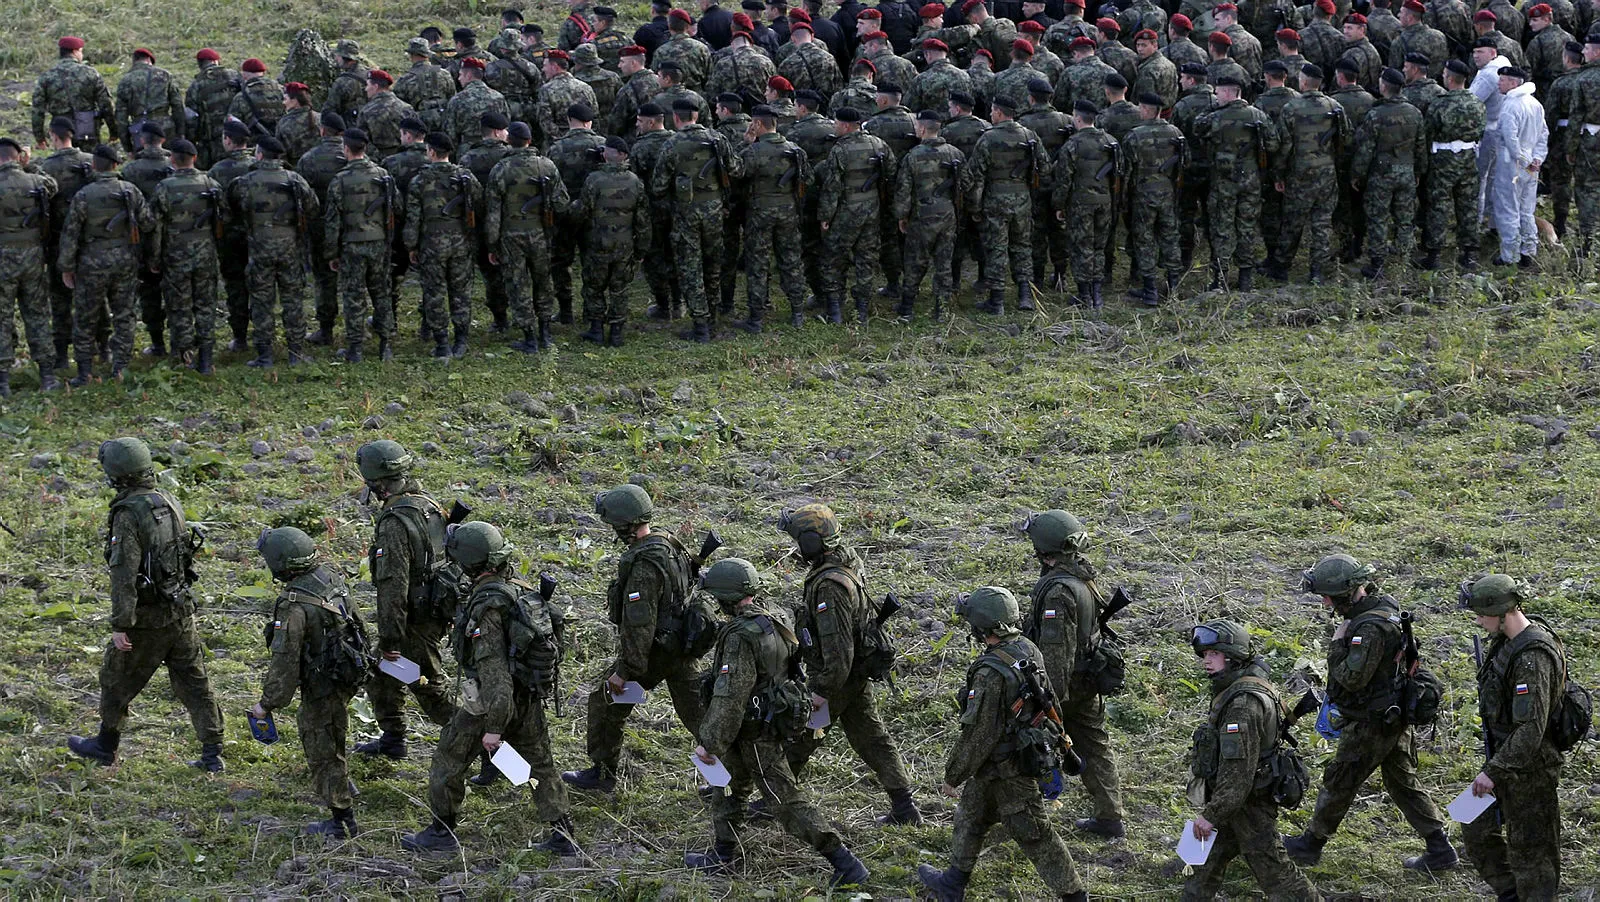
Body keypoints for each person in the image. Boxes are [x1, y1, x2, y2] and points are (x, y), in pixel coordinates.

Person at [684, 558, 870, 888]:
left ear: (725, 597)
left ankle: (843, 860)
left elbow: (731, 695)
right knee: (728, 784)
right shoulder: (775, 615)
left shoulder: (741, 636)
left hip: (756, 731)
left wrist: (710, 742)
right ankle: (725, 852)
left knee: (786, 802)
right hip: (762, 721)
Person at [402, 522, 577, 856]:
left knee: (448, 760)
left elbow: (494, 673)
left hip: (489, 704)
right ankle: (562, 833)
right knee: (540, 765)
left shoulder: (489, 607)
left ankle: (441, 833)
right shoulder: (518, 588)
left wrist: (494, 729)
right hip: (526, 698)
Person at [1283, 554, 1458, 871]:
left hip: (1372, 721)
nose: (1324, 602)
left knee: (1340, 781)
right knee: (1402, 782)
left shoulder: (1370, 628)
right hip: (1390, 715)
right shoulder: (1383, 607)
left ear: (1346, 592)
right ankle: (1440, 848)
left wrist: (1337, 645)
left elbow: (1351, 678)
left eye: (1327, 596)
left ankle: (1310, 845)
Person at [916, 587, 1086, 902]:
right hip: (996, 764)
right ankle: (952, 883)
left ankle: (1075, 896)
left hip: (1011, 769)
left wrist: (953, 775)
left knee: (1035, 834)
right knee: (971, 815)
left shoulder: (989, 673)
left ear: (982, 628)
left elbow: (978, 733)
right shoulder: (1028, 648)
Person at [67, 438, 223, 773]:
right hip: (180, 610)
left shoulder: (128, 514)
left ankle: (105, 746)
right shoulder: (169, 499)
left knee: (115, 679)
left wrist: (121, 623)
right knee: (195, 682)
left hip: (146, 619)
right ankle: (213, 753)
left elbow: (124, 573)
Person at [777, 503, 921, 825]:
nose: (796, 547)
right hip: (854, 672)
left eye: (800, 540)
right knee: (871, 737)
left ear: (813, 542)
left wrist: (819, 693)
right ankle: (905, 806)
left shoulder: (829, 586)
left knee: (798, 732)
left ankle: (775, 797)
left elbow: (838, 655)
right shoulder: (846, 558)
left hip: (838, 676)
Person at [562, 485, 705, 791]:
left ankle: (602, 774)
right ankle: (730, 784)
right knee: (702, 721)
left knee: (606, 701)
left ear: (621, 525)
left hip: (655, 653)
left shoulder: (643, 566)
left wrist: (625, 672)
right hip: (682, 648)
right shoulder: (669, 543)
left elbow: (640, 627)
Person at [1181, 620, 1321, 902]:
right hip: (1236, 796)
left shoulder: (1242, 706)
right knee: (1203, 852)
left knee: (1274, 869)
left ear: (1231, 656)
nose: (1206, 661)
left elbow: (1238, 773)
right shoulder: (1241, 686)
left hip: (1248, 801)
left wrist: (1211, 814)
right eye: (1205, 654)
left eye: (1214, 654)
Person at [249, 527, 368, 838]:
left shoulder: (293, 605)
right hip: (346, 672)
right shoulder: (331, 578)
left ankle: (341, 820)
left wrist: (266, 704)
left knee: (321, 746)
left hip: (322, 683)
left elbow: (284, 662)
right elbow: (360, 623)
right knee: (334, 728)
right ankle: (342, 781)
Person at [1459, 574, 1569, 902]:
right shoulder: (1507, 641)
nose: (1478, 621)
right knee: (1469, 818)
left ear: (1503, 611)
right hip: (1504, 758)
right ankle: (1510, 894)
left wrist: (1492, 773)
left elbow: (1530, 731)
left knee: (1533, 855)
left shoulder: (1532, 657)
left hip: (1529, 769)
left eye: (1482, 614)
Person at [351, 440, 458, 760]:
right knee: (381, 671)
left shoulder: (396, 522)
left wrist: (390, 639)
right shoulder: (426, 502)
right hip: (434, 608)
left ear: (377, 483)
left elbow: (393, 587)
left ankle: (498, 758)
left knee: (430, 690)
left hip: (414, 620)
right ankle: (393, 738)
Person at [56, 144, 151, 385]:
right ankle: (120, 367)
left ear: (94, 166)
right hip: (125, 261)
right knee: (124, 315)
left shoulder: (84, 195)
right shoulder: (130, 191)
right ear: (116, 165)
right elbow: (148, 223)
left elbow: (71, 234)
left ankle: (84, 372)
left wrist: (66, 266)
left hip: (91, 263)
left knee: (86, 317)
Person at [652, 98, 744, 341]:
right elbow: (736, 170)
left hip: (686, 213)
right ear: (696, 116)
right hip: (715, 210)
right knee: (713, 264)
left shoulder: (672, 144)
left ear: (676, 117)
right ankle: (712, 317)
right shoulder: (717, 139)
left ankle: (700, 325)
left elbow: (658, 186)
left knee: (691, 267)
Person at [228, 136, 319, 368]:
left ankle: (265, 355)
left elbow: (235, 211)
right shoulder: (295, 180)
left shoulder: (245, 182)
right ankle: (295, 353)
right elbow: (313, 208)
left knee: (261, 301)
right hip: (290, 247)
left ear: (259, 154)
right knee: (293, 300)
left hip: (259, 248)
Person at [485, 121, 567, 353]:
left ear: (509, 140)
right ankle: (545, 332)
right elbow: (562, 203)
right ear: (530, 140)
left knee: (518, 284)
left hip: (511, 235)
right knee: (543, 281)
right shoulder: (547, 166)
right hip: (541, 233)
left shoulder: (500, 169)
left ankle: (529, 336)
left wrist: (492, 244)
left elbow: (493, 212)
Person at [1194, 75, 1278, 290]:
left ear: (1229, 92)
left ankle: (1220, 278)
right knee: (1247, 227)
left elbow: (1197, 128)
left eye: (1218, 92)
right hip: (1250, 180)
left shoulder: (1216, 118)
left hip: (1224, 182)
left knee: (1222, 228)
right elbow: (1273, 144)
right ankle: (1245, 277)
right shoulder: (1258, 116)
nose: (1216, 96)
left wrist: (1211, 108)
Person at [148, 139, 223, 374]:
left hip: (175, 255)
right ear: (195, 157)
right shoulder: (210, 183)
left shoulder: (164, 188)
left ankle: (185, 357)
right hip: (205, 254)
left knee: (179, 307)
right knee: (205, 305)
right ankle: (206, 359)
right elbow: (224, 217)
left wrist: (155, 257)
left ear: (172, 159)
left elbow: (155, 226)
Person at [325, 128, 399, 362]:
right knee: (382, 293)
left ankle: (355, 348)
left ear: (346, 149)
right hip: (379, 243)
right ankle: (385, 345)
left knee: (354, 296)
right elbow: (397, 207)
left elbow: (332, 221)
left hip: (352, 245)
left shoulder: (340, 180)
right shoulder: (383, 175)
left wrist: (331, 252)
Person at [403, 132, 480, 358]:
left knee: (434, 292)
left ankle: (442, 343)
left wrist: (411, 246)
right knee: (461, 291)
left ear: (431, 152)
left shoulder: (420, 180)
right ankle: (462, 339)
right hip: (461, 241)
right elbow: (479, 203)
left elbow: (413, 217)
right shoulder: (466, 177)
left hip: (431, 243)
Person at [734, 106, 812, 330]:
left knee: (758, 264)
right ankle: (797, 312)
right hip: (788, 212)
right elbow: (809, 178)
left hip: (760, 213)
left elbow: (736, 172)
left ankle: (756, 318)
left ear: (757, 124)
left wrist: (744, 143)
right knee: (791, 261)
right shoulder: (795, 150)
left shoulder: (753, 152)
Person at [1270, 64, 1348, 284]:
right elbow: (1345, 138)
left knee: (1293, 222)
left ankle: (1281, 268)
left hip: (1300, 173)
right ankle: (1317, 271)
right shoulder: (1334, 106)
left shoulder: (1292, 108)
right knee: (1322, 223)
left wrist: (1279, 175)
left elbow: (1284, 146)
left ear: (1303, 82)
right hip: (1327, 171)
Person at [571, 136, 648, 344]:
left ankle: (596, 329)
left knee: (594, 286)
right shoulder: (635, 181)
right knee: (619, 288)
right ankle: (616, 332)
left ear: (608, 154)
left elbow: (582, 211)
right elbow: (642, 221)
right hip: (624, 244)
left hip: (598, 243)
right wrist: (641, 250)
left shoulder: (594, 179)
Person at [1350, 68, 1425, 280]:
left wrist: (1357, 174)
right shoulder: (1414, 112)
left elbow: (1366, 149)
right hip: (1406, 171)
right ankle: (1403, 256)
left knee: (1378, 218)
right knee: (1404, 217)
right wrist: (1419, 170)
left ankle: (1377, 263)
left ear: (1384, 87)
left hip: (1381, 173)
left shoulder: (1376, 114)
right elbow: (1420, 145)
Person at [0, 136, 60, 396]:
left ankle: (2, 381)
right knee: (36, 313)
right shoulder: (36, 181)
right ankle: (47, 375)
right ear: (18, 157)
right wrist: (30, 165)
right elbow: (52, 186)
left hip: (2, 259)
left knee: (2, 317)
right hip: (33, 257)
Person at [893, 109, 964, 321]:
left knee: (915, 262)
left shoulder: (912, 157)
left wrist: (901, 216)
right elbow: (966, 183)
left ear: (922, 129)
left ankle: (907, 308)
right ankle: (941, 310)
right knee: (944, 263)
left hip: (921, 217)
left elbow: (904, 191)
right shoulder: (955, 153)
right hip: (947, 215)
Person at [1121, 93, 1187, 305]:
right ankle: (1173, 285)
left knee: (1144, 239)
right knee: (1170, 236)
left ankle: (1150, 290)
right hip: (1168, 193)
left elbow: (1126, 171)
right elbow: (1186, 162)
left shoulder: (1134, 136)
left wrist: (1124, 199)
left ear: (1148, 110)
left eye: (1141, 107)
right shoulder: (1175, 133)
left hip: (1143, 195)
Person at [1423, 58, 1487, 271]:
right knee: (1468, 205)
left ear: (1449, 78)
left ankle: (1433, 255)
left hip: (1443, 158)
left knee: (1439, 205)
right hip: (1468, 157)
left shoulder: (1440, 103)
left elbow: (1428, 133)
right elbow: (1480, 132)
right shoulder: (1477, 103)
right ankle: (1469, 253)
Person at [1053, 100, 1118, 308]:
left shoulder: (1072, 144)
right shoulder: (1110, 141)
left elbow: (1063, 180)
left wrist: (1058, 205)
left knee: (1081, 248)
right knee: (1099, 247)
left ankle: (1084, 295)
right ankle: (1097, 294)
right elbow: (1120, 172)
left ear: (1078, 118)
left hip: (1080, 204)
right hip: (1105, 202)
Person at [1490, 66, 1547, 267]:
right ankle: (1529, 251)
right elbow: (1543, 134)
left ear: (1514, 83)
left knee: (1508, 209)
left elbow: (1510, 138)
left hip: (1511, 165)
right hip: (1531, 165)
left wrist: (1522, 160)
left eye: (1503, 80)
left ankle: (1509, 255)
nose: (1499, 83)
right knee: (1526, 209)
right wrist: (1537, 159)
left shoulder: (1511, 106)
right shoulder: (1535, 104)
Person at [32, 37, 115, 149]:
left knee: (63, 162)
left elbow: (37, 110)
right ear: (75, 52)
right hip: (87, 128)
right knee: (89, 161)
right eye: (81, 51)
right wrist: (114, 131)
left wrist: (40, 138)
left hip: (60, 129)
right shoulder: (90, 73)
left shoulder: (46, 77)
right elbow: (106, 105)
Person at [114, 49, 184, 151]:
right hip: (165, 128)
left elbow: (121, 117)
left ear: (134, 61)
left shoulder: (125, 81)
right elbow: (178, 105)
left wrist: (127, 146)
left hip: (140, 130)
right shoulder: (165, 75)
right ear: (148, 59)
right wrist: (181, 133)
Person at [185, 49, 240, 169]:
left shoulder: (196, 85)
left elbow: (192, 118)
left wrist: (192, 140)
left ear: (200, 64)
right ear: (217, 61)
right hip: (239, 133)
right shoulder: (235, 75)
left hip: (213, 139)